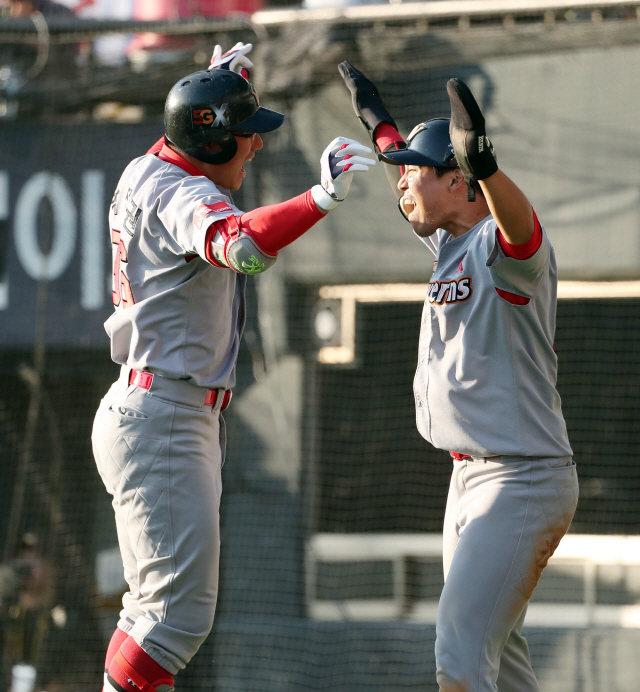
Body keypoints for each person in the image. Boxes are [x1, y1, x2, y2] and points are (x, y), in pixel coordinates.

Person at [91, 44, 375, 692]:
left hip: (158, 407)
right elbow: (242, 248)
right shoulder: (178, 193)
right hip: (165, 413)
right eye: (245, 135)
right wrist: (320, 199)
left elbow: (190, 147)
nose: (258, 147)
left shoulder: (152, 167)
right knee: (173, 622)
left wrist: (225, 85)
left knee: (154, 616)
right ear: (211, 141)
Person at [339, 62, 579, 692]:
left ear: (462, 181)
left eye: (418, 171)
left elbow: (523, 233)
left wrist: (489, 168)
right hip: (472, 476)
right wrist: (385, 133)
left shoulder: (506, 251)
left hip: (519, 475)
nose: (402, 183)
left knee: (459, 653)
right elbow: (415, 186)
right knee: (502, 656)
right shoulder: (450, 242)